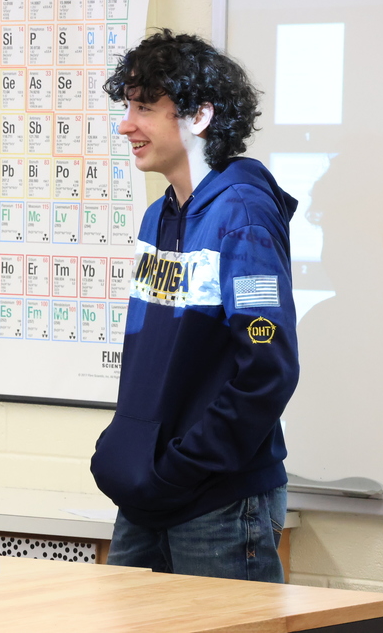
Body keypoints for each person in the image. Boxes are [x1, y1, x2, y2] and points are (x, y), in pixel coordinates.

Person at [89, 30, 299, 582]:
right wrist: (127, 448)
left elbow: (267, 369)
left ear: (199, 116)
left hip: (215, 502)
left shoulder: (244, 217)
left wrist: (182, 466)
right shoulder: (159, 215)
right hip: (147, 494)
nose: (126, 124)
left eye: (144, 108)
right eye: (127, 106)